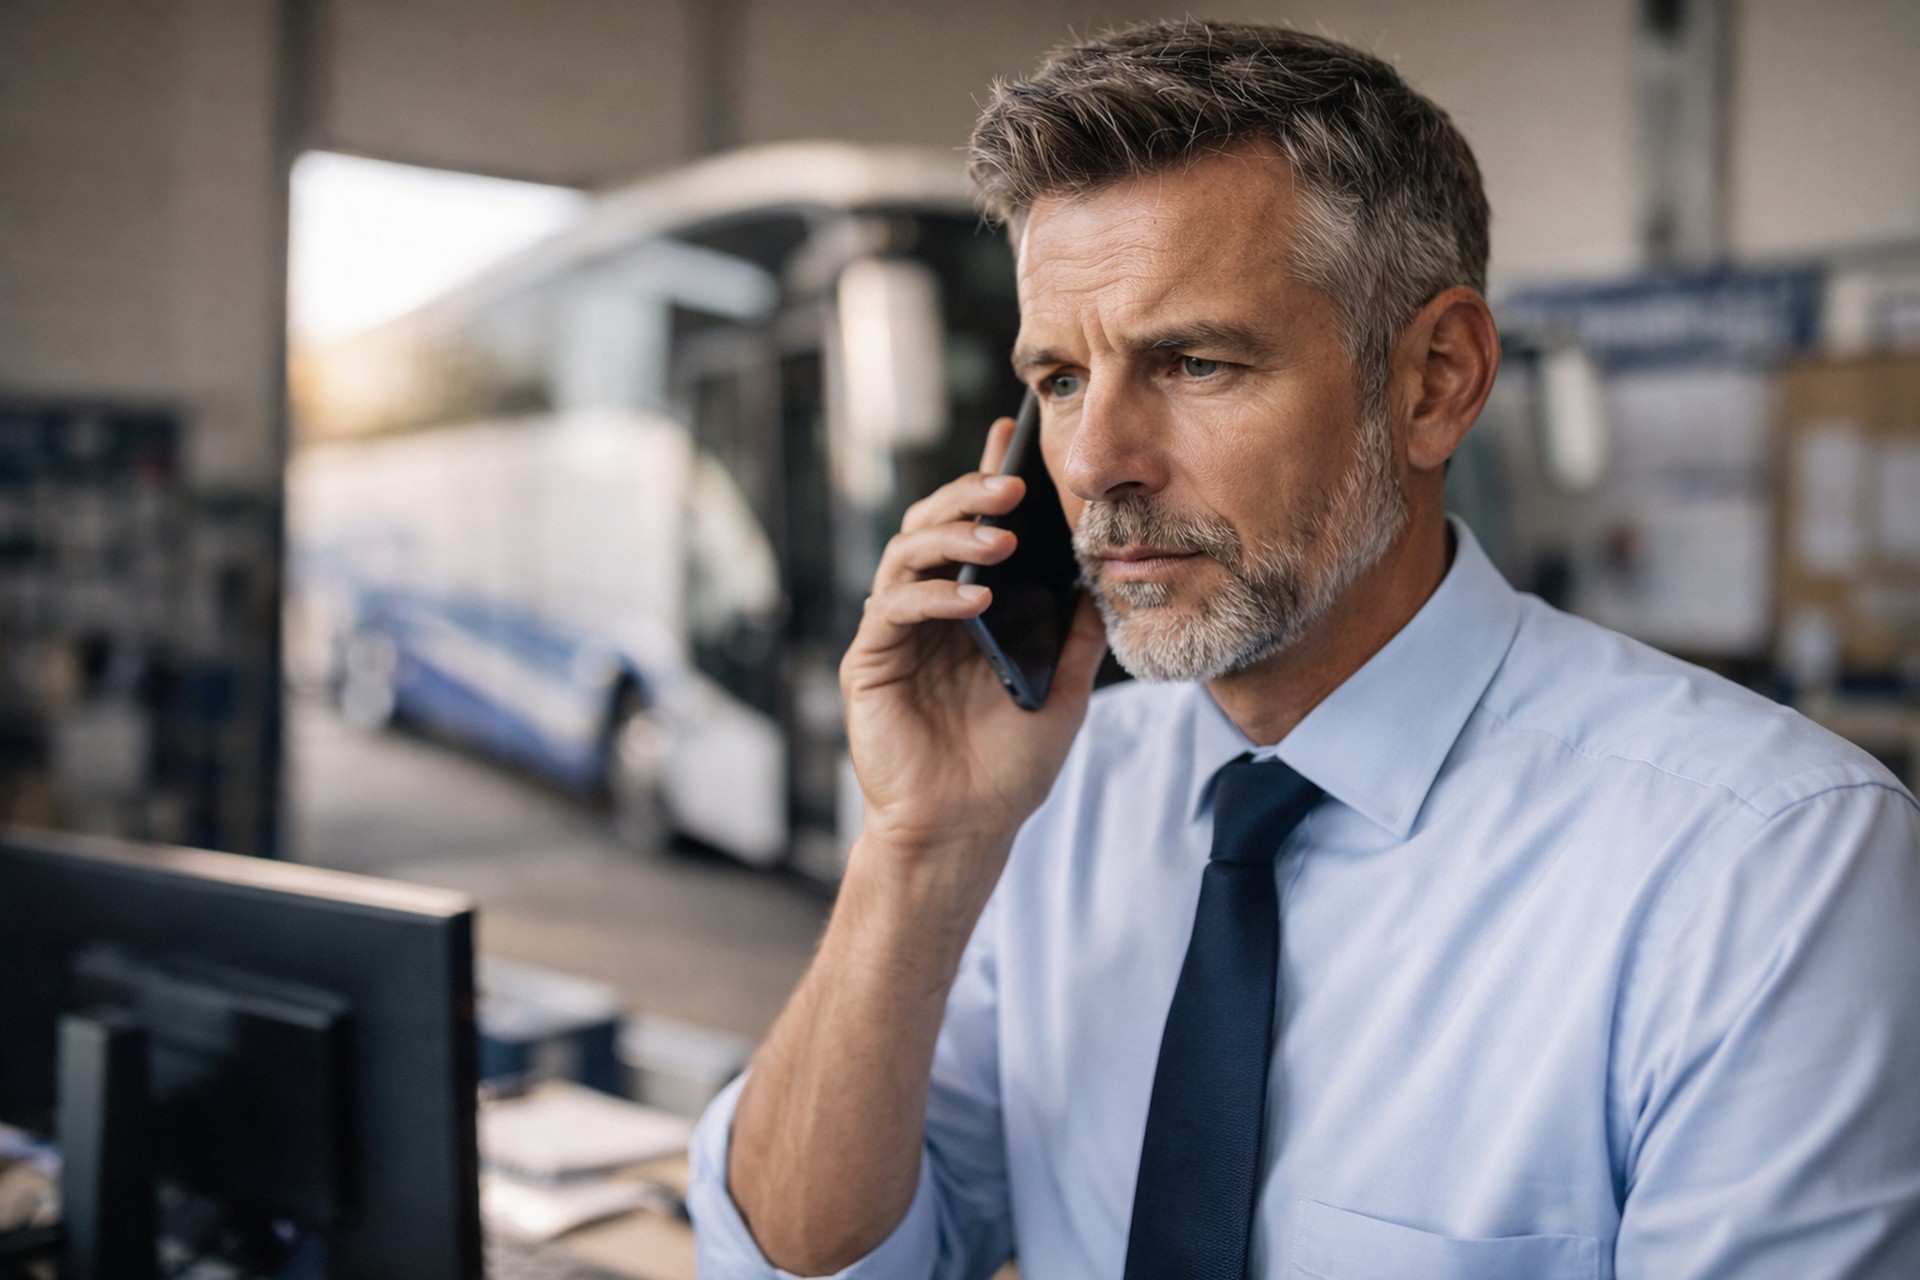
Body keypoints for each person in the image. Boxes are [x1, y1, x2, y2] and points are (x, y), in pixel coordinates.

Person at [688, 19, 1920, 1279]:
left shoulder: (1766, 866)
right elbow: (793, 1260)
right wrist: (919, 848)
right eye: (1059, 379)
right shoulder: (1052, 801)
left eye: (1194, 361)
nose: (1099, 463)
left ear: (1436, 379)